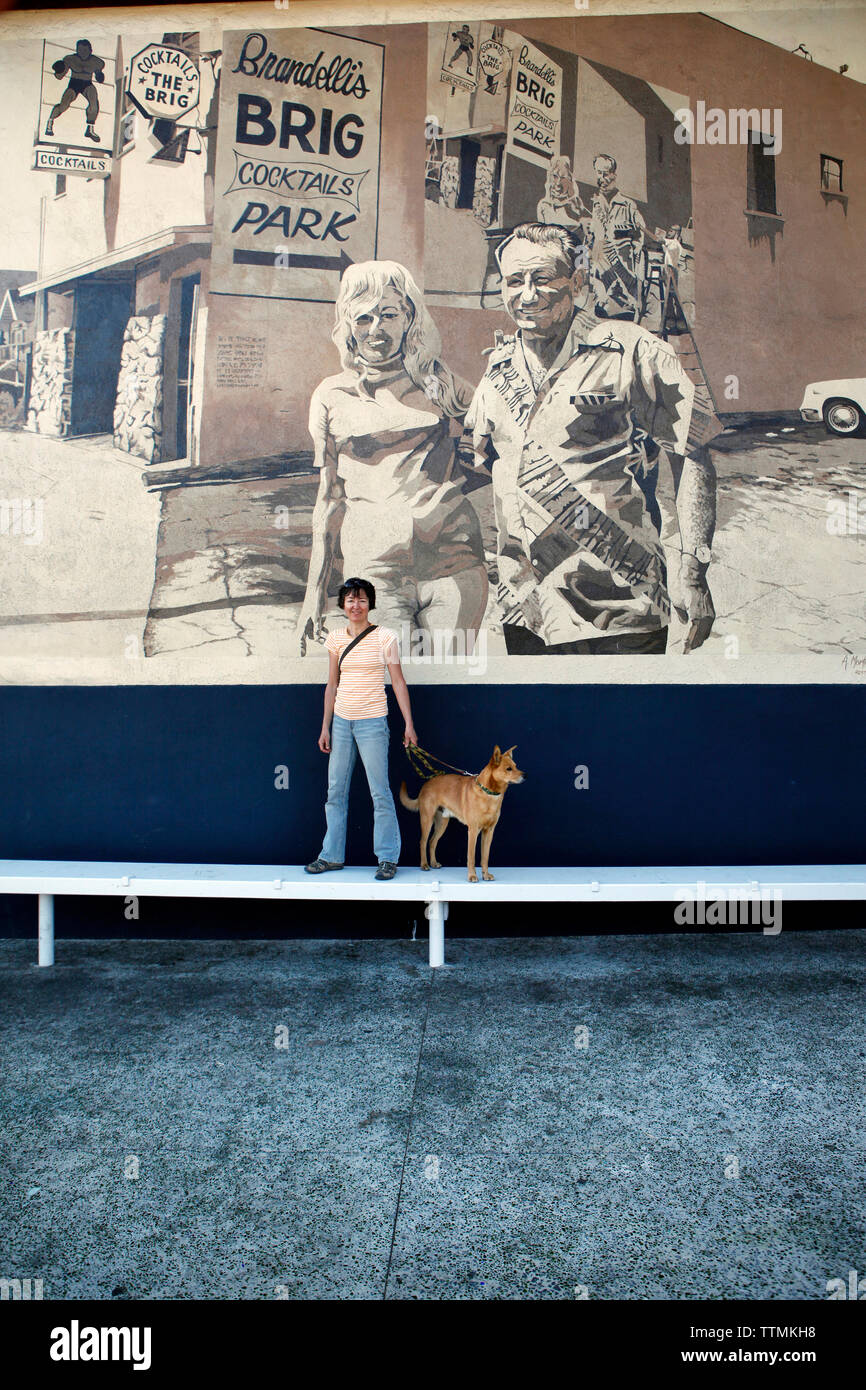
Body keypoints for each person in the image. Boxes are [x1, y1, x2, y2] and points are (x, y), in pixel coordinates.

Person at [464, 222, 719, 655]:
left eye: (542, 279)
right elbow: (485, 462)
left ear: (577, 282)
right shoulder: (497, 369)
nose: (526, 295)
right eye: (514, 281)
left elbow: (694, 453)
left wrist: (692, 570)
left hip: (618, 599)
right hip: (526, 604)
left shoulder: (632, 349)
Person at [296, 260, 488, 654]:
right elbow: (329, 499)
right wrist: (314, 593)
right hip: (374, 572)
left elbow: (501, 435)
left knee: (451, 692)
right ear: (347, 324)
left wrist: (457, 483)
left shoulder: (437, 381)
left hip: (456, 566)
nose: (376, 330)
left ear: (409, 317)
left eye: (389, 314)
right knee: (388, 689)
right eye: (363, 318)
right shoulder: (331, 396)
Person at [305, 577, 417, 881]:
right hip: (341, 722)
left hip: (373, 723)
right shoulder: (336, 639)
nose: (356, 605)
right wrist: (325, 726)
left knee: (379, 792)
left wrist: (409, 723)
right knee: (335, 792)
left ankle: (387, 858)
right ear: (343, 604)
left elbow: (397, 681)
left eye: (362, 600)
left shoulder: (385, 637)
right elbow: (332, 684)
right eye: (351, 600)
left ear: (371, 604)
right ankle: (331, 856)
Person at [587, 153, 650, 320]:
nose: (601, 178)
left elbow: (639, 240)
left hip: (626, 285)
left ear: (614, 175)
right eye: (598, 173)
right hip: (603, 288)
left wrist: (636, 277)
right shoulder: (595, 205)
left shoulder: (628, 206)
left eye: (605, 174)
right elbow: (592, 241)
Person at [45, 39, 104, 144]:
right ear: (77, 50)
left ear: (90, 50)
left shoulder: (96, 62)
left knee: (94, 103)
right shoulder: (70, 59)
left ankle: (90, 129)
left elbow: (100, 79)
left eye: (85, 50)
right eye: (80, 50)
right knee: (64, 105)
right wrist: (58, 70)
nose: (82, 53)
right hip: (74, 83)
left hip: (87, 83)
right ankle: (50, 122)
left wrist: (99, 75)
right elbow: (59, 77)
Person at [536, 156, 589, 235]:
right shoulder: (543, 205)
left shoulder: (576, 204)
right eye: (555, 176)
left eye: (563, 178)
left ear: (569, 180)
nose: (558, 183)